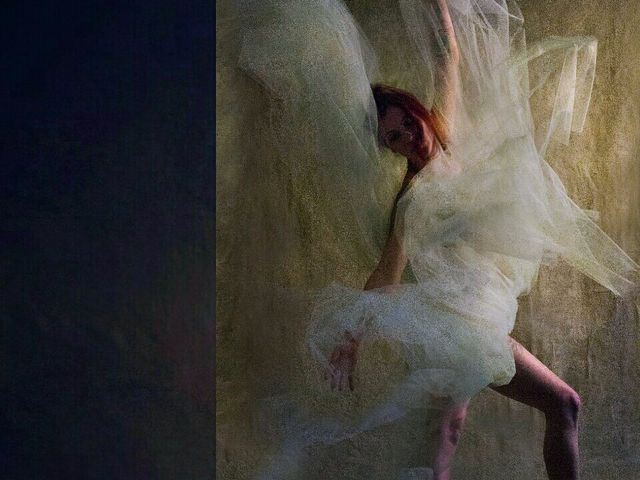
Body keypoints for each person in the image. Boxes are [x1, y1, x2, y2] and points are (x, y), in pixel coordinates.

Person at [324, 2, 581, 479]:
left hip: (484, 315)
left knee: (526, 413)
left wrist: (440, 5)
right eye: (395, 139)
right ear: (390, 149)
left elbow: (448, 53)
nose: (409, 138)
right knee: (490, 419)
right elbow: (386, 273)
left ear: (418, 110)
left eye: (407, 123)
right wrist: (351, 337)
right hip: (455, 325)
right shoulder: (412, 202)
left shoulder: (451, 132)